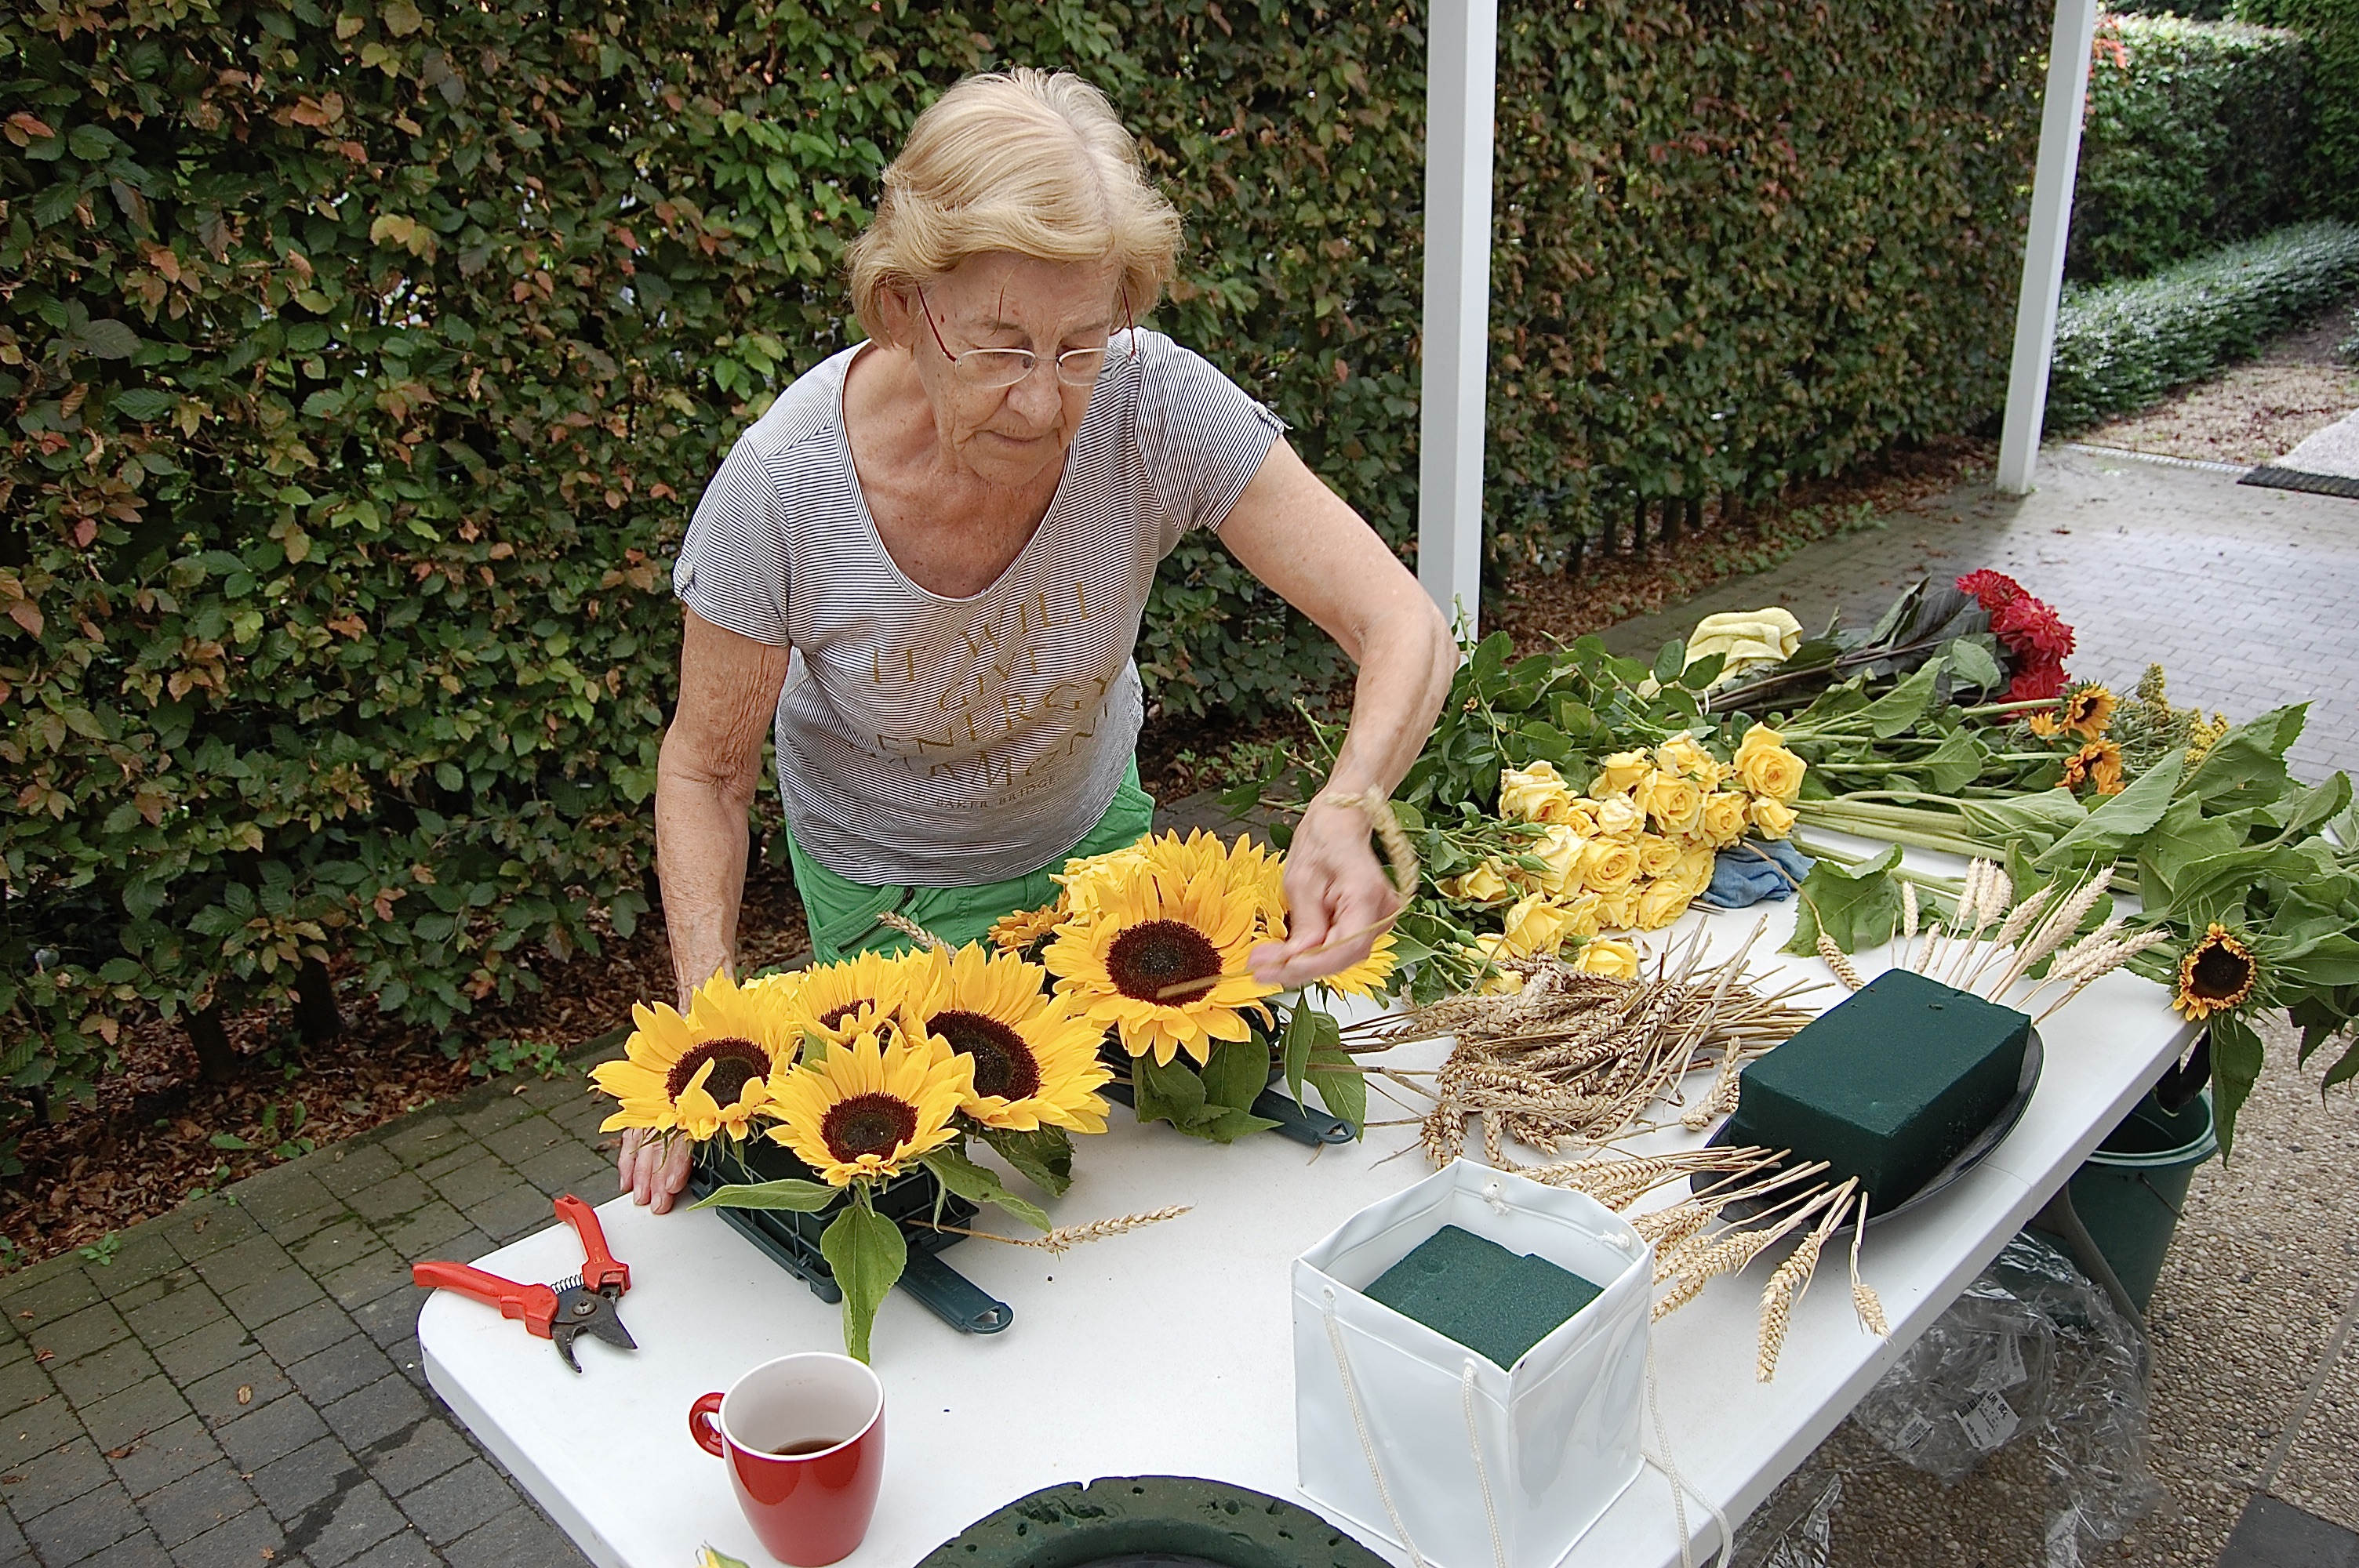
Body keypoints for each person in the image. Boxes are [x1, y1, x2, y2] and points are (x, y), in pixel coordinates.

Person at [619, 69, 1453, 1210]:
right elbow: (705, 772)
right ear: (908, 305)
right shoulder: (782, 488)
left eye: (1081, 344)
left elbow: (1401, 619)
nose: (1044, 402)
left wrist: (1352, 802)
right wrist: (703, 1045)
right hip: (883, 889)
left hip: (1093, 838)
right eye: (1003, 347)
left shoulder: (1154, 404)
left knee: (1136, 1186)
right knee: (946, 1204)